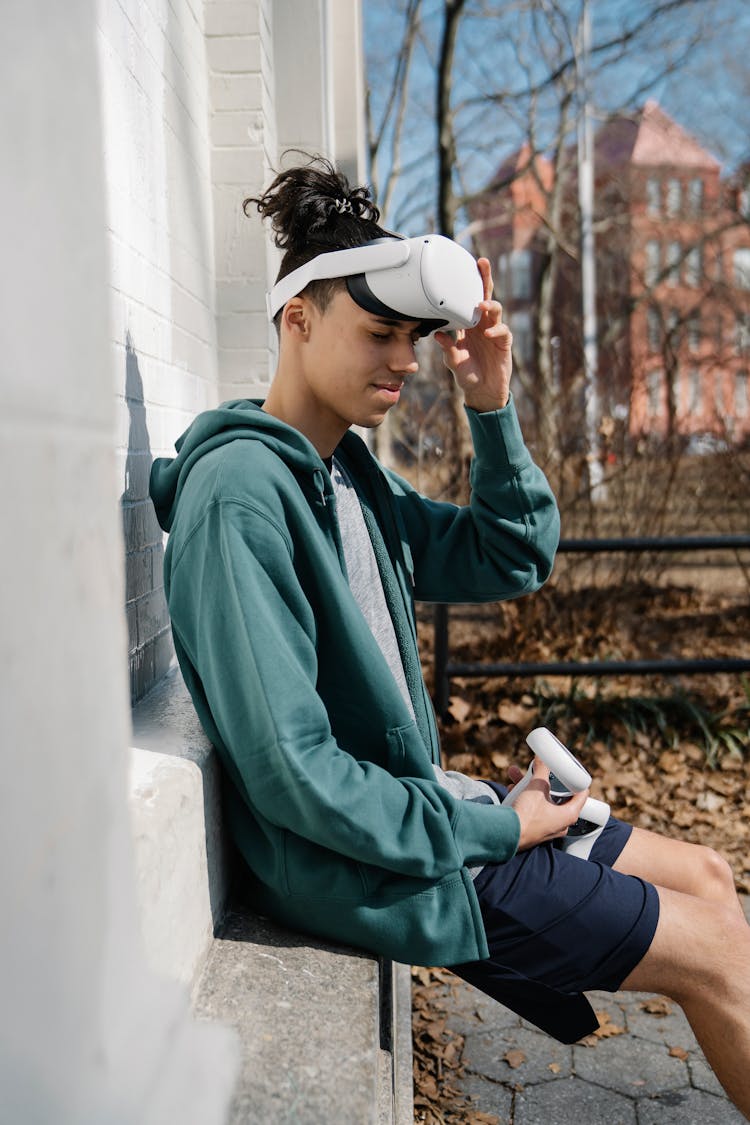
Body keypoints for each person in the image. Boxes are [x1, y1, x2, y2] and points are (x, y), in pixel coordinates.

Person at [151, 156, 750, 1117]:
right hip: (376, 869)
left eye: (414, 338)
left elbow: (511, 554)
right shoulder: (242, 499)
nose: (402, 359)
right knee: (717, 952)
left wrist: (492, 406)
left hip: (432, 818)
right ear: (296, 319)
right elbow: (294, 774)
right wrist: (498, 825)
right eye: (379, 331)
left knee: (715, 879)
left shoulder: (343, 473)